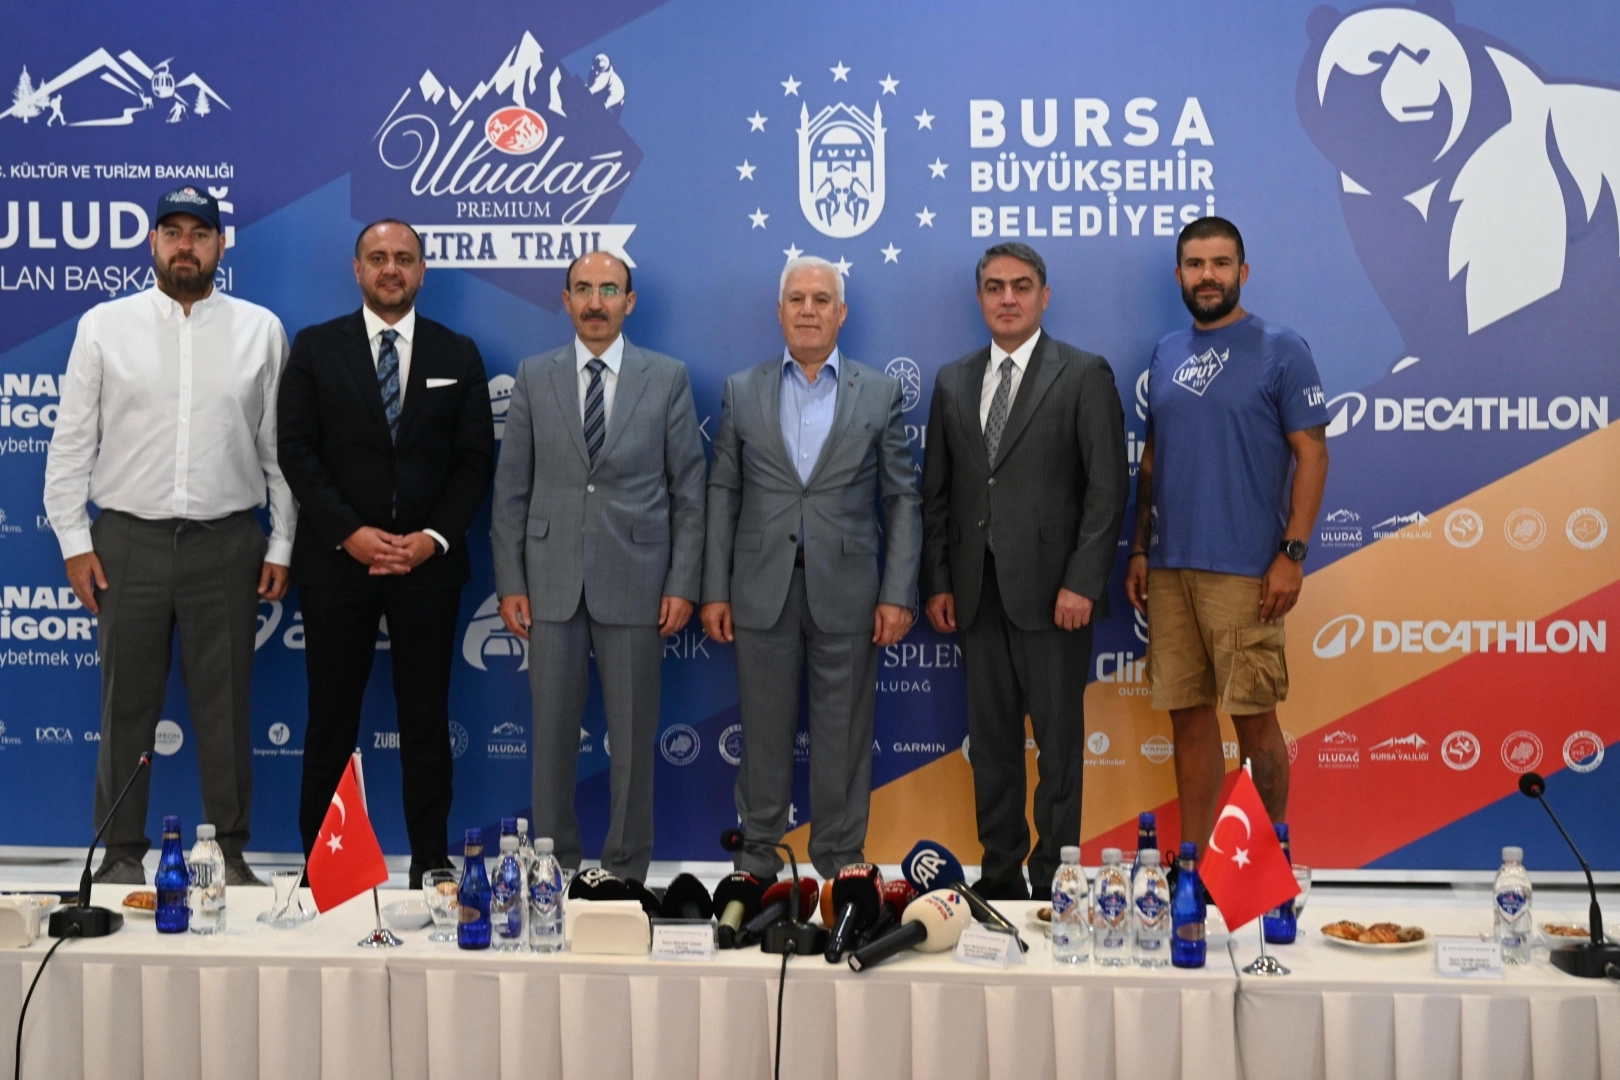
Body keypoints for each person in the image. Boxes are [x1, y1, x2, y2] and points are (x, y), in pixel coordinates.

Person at [44, 186, 292, 886]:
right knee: (124, 707)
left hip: (228, 543)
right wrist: (74, 542)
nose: (187, 245)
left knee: (226, 708)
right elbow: (71, 444)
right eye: (173, 232)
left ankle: (229, 856)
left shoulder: (260, 331)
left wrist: (281, 542)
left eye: (200, 233)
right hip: (127, 544)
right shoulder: (104, 326)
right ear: (152, 243)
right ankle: (121, 854)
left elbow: (278, 451)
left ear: (220, 246)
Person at [278, 219, 495, 890]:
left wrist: (431, 540)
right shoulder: (316, 348)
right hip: (338, 562)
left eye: (403, 257)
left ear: (422, 270)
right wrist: (350, 532)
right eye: (377, 257)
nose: (391, 268)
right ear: (358, 270)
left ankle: (430, 859)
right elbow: (296, 451)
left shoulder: (458, 353)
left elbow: (473, 462)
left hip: (427, 568)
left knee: (426, 718)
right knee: (330, 718)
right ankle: (326, 865)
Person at [702, 255, 921, 880]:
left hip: (849, 593)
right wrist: (713, 589)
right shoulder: (742, 389)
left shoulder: (877, 392)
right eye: (797, 299)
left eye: (821, 299)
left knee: (843, 738)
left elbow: (901, 499)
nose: (808, 310)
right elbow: (723, 493)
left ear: (841, 313)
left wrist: (898, 592)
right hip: (760, 589)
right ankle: (757, 868)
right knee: (762, 736)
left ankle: (841, 867)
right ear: (779, 312)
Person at [921, 242, 1129, 901]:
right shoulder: (953, 380)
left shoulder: (1083, 373)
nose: (1007, 297)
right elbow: (937, 493)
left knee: (1059, 749)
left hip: (1055, 595)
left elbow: (1106, 489)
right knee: (991, 746)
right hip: (976, 594)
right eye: (994, 286)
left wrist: (1083, 581)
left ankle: (1055, 879)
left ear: (1044, 296)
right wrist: (939, 582)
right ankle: (1002, 874)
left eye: (1020, 285)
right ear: (980, 298)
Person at [491, 251, 705, 884]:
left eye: (609, 290)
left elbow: (690, 493)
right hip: (550, 583)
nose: (595, 301)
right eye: (583, 289)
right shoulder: (534, 376)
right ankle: (552, 870)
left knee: (634, 741)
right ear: (565, 300)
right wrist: (511, 582)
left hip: (638, 581)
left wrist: (682, 582)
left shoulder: (667, 377)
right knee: (551, 738)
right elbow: (511, 492)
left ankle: (626, 873)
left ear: (629, 302)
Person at [1124, 216, 1330, 857]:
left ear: (1243, 272)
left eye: (1219, 263)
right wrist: (1139, 547)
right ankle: (1194, 865)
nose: (1207, 275)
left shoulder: (1281, 348)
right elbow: (1152, 460)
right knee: (1188, 720)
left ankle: (1264, 867)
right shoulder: (1165, 352)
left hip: (1246, 571)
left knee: (1255, 725)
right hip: (1170, 569)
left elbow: (1312, 454)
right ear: (1179, 275)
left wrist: (1292, 554)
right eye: (1195, 264)